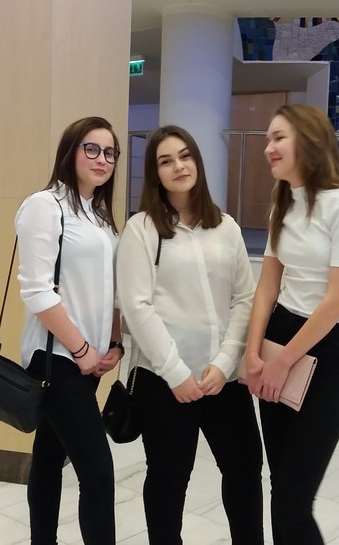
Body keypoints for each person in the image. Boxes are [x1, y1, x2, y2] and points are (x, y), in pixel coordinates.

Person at [118, 125, 264, 544]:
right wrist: (176, 372)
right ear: (155, 173)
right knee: (169, 478)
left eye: (185, 156)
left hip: (223, 379)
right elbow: (136, 307)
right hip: (164, 381)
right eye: (166, 161)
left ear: (197, 161)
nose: (178, 166)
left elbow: (245, 298)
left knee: (244, 469)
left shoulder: (227, 227)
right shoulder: (141, 229)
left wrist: (225, 361)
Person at [243, 104, 339, 545]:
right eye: (267, 139)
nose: (268, 148)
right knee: (281, 490)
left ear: (310, 141)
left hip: (328, 350)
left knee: (294, 501)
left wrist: (281, 363)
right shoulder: (282, 204)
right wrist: (253, 352)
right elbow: (267, 287)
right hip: (279, 338)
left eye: (278, 137)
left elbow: (337, 299)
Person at [15, 116, 123, 545]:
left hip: (87, 362)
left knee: (48, 457)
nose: (102, 159)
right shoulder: (45, 205)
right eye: (91, 148)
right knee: (98, 475)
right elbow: (37, 291)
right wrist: (81, 351)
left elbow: (111, 287)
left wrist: (113, 341)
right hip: (57, 360)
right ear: (70, 151)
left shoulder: (98, 215)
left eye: (109, 152)